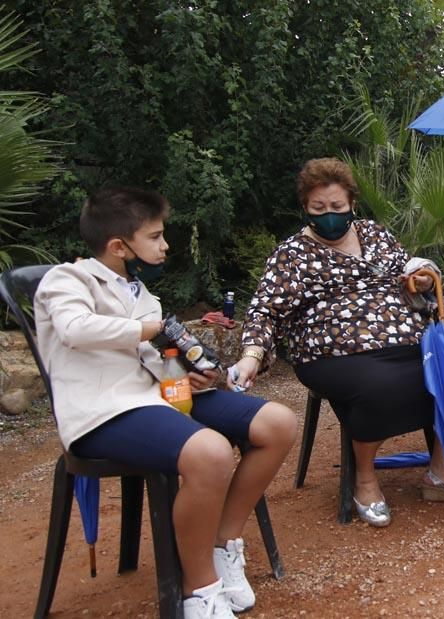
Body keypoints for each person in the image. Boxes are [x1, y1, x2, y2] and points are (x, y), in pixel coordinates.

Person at [33, 187, 297, 619]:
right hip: (103, 411)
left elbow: (155, 360)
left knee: (278, 423)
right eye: (155, 236)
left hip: (157, 397)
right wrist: (152, 327)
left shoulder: (140, 292)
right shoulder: (68, 279)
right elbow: (75, 329)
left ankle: (221, 545)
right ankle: (199, 591)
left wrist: (193, 377)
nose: (165, 245)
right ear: (119, 246)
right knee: (210, 452)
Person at [230, 157, 444, 529]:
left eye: (337, 207)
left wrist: (420, 280)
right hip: (332, 352)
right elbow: (264, 311)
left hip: (403, 337)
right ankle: (363, 479)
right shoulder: (291, 254)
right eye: (319, 208)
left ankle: (442, 472)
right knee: (381, 386)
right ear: (305, 207)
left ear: (352, 203)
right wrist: (251, 356)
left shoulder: (375, 234)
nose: (329, 215)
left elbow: (407, 273)